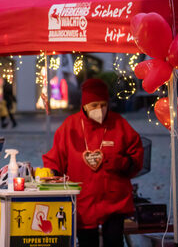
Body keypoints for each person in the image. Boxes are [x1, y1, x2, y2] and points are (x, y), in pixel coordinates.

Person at [42, 78, 144, 247]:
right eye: (94, 105)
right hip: (83, 202)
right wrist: (50, 173)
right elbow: (55, 159)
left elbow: (136, 157)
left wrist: (119, 162)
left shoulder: (119, 123)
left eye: (103, 105)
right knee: (86, 242)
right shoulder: (70, 126)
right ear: (84, 105)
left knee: (114, 242)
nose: (100, 110)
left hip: (114, 201)